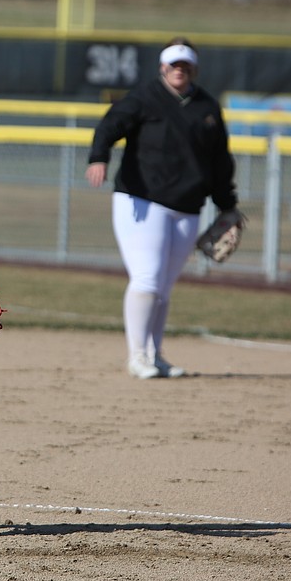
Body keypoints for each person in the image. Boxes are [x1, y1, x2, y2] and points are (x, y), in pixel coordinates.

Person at [85, 38, 238, 379]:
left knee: (164, 287)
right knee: (147, 277)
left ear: (193, 69)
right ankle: (137, 356)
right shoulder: (145, 98)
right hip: (141, 200)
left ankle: (155, 355)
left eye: (185, 66)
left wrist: (227, 205)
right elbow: (110, 125)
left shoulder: (207, 108)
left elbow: (219, 161)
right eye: (174, 65)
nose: (179, 71)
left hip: (187, 206)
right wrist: (99, 157)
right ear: (162, 68)